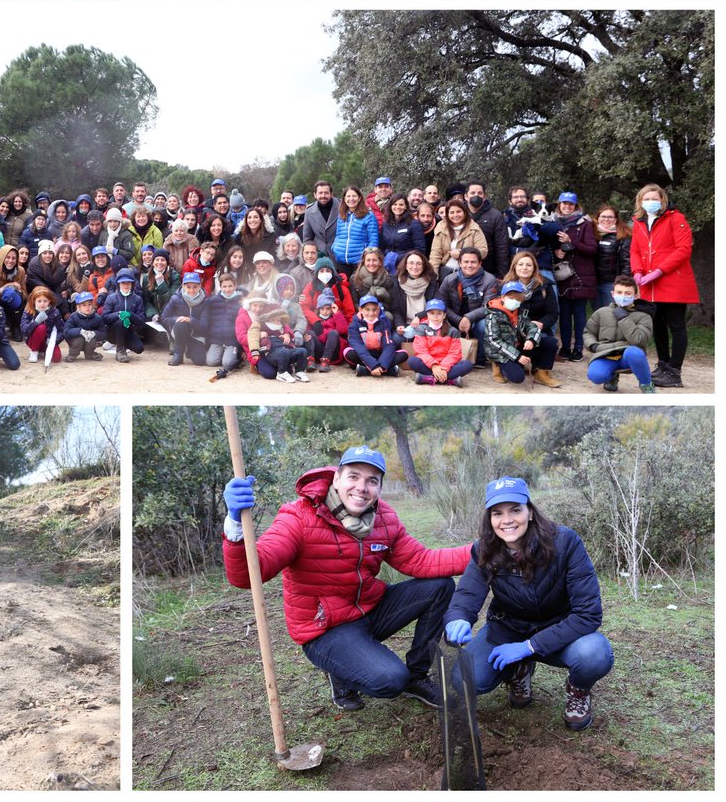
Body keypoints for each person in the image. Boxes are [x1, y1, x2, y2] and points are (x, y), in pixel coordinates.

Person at [222, 446, 469, 710]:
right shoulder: (299, 517)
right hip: (325, 629)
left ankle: (417, 677)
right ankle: (340, 674)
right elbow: (249, 575)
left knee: (440, 586)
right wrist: (235, 524)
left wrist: (484, 552)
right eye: (354, 476)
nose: (362, 487)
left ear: (379, 488)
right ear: (336, 479)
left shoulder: (383, 518)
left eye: (372, 481)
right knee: (390, 680)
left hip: (369, 610)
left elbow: (421, 561)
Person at [443, 476, 613, 732]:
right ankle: (518, 671)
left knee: (594, 654)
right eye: (497, 513)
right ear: (490, 519)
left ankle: (578, 690)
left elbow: (588, 614)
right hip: (508, 629)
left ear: (530, 512)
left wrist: (530, 646)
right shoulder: (484, 549)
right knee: (466, 680)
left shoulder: (566, 542)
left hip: (560, 631)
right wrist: (457, 617)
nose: (507, 520)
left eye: (515, 510)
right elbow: (468, 592)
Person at [630, 183, 699, 388]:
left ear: (662, 200)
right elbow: (634, 251)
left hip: (672, 281)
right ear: (641, 201)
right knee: (657, 326)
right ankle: (663, 364)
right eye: (647, 198)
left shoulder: (676, 218)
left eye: (654, 198)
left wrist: (659, 270)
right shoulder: (638, 222)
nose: (651, 202)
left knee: (676, 326)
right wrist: (638, 271)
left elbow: (683, 250)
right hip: (650, 285)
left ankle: (674, 371)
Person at [545, 191, 597, 362]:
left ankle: (579, 348)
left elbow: (591, 249)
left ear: (576, 206)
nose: (567, 207)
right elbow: (548, 246)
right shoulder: (552, 222)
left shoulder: (585, 224)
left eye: (571, 204)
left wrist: (570, 242)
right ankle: (565, 347)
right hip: (562, 275)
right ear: (559, 204)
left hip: (581, 275)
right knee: (564, 314)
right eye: (564, 203)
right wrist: (556, 252)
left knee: (580, 315)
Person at [584, 274, 656, 393]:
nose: (623, 296)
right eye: (619, 292)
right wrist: (593, 345)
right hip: (605, 354)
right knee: (595, 376)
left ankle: (646, 384)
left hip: (628, 356)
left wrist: (623, 317)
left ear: (636, 295)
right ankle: (611, 376)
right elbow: (588, 332)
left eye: (628, 293)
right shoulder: (601, 312)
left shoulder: (644, 316)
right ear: (613, 294)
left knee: (635, 353)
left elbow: (638, 340)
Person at [484, 281, 561, 387]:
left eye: (517, 299)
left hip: (518, 346)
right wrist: (517, 356)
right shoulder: (493, 315)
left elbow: (532, 327)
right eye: (510, 297)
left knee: (551, 342)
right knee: (518, 377)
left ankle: (541, 373)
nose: (514, 301)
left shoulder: (521, 311)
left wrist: (531, 339)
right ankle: (498, 366)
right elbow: (493, 341)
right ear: (503, 297)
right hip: (501, 352)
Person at [439, 247, 499, 368]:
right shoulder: (450, 279)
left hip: (476, 318)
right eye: (466, 262)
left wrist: (468, 318)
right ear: (460, 263)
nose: (469, 265)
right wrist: (458, 319)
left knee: (484, 325)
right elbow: (442, 305)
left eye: (473, 262)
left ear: (480, 263)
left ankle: (480, 358)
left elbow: (488, 306)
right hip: (453, 318)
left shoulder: (489, 280)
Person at [404, 297, 473, 387]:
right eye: (432, 313)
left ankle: (428, 378)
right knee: (412, 361)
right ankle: (450, 380)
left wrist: (443, 368)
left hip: (447, 365)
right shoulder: (421, 329)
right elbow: (421, 351)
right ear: (427, 315)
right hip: (429, 364)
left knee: (468, 364)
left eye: (439, 313)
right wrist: (434, 366)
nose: (435, 316)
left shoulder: (453, 331)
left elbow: (454, 353)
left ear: (444, 315)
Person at [342, 294, 410, 378]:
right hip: (364, 355)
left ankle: (366, 370)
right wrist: (373, 365)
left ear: (378, 310)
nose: (371, 313)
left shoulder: (383, 323)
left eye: (374, 310)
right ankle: (387, 370)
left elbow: (388, 344)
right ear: (360, 310)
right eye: (367, 310)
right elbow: (359, 347)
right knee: (348, 352)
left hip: (380, 354)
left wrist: (382, 364)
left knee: (404, 354)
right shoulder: (354, 325)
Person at [503, 250, 559, 337]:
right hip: (512, 328)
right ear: (514, 267)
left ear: (534, 268)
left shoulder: (545, 286)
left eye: (529, 265)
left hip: (538, 329)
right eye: (520, 264)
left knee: (549, 343)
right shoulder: (506, 286)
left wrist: (541, 324)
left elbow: (552, 313)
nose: (524, 268)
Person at [429, 197, 488, 278]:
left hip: (469, 273)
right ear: (447, 214)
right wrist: (434, 277)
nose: (455, 215)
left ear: (464, 212)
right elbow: (435, 255)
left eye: (458, 211)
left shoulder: (474, 228)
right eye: (452, 212)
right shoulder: (441, 228)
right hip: (446, 273)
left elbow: (483, 251)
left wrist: (462, 254)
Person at [161, 271, 211, 367]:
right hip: (179, 331)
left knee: (200, 361)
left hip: (196, 334)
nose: (191, 290)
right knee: (181, 323)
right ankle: (178, 355)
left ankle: (189, 349)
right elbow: (163, 318)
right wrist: (177, 318)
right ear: (183, 286)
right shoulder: (175, 298)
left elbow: (205, 325)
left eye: (195, 287)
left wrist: (190, 320)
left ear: (200, 286)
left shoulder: (205, 301)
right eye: (188, 287)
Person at [465, 180, 510, 278]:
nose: (476, 196)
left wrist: (502, 276)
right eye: (472, 193)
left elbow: (502, 247)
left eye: (479, 193)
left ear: (484, 196)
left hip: (489, 271)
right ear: (466, 196)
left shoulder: (496, 215)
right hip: (463, 270)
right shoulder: (458, 214)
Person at [388, 250, 439, 335]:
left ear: (424, 266)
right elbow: (396, 310)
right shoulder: (396, 282)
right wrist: (400, 325)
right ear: (406, 265)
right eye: (411, 263)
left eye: (418, 264)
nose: (415, 267)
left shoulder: (431, 282)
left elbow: (437, 305)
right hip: (406, 323)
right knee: (397, 339)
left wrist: (420, 316)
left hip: (427, 323)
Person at [332, 186, 380, 276]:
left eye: (354, 196)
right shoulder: (341, 215)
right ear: (344, 199)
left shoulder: (369, 215)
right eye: (348, 196)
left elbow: (373, 240)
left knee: (358, 288)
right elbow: (338, 235)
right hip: (341, 259)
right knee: (344, 287)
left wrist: (367, 257)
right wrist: (335, 247)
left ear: (359, 198)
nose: (351, 199)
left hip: (359, 261)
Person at [592, 203, 632, 310]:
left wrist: (622, 283)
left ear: (616, 219)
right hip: (594, 283)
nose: (606, 219)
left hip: (612, 283)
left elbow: (627, 261)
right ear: (597, 218)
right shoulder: (591, 233)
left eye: (610, 217)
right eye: (603, 216)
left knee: (613, 313)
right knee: (598, 314)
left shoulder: (623, 236)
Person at [103, 268, 146, 363]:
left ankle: (122, 343)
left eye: (128, 283)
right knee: (120, 321)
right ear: (118, 284)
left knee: (139, 348)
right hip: (112, 331)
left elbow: (141, 321)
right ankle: (120, 350)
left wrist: (130, 315)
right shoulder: (111, 298)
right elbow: (105, 317)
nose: (126, 285)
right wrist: (118, 314)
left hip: (129, 330)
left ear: (132, 284)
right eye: (123, 283)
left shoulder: (137, 299)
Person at [0, 243, 27, 340]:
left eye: (14, 258)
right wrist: (6, 286)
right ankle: (1, 327)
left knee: (11, 295)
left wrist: (18, 291)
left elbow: (25, 294)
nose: (10, 261)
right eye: (7, 257)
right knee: (7, 292)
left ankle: (15, 327)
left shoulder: (20, 271)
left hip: (12, 301)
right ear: (1, 258)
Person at [21, 286, 64, 365]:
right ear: (34, 301)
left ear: (49, 301)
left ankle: (43, 350)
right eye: (39, 301)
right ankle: (34, 351)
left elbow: (61, 330)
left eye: (45, 301)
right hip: (32, 340)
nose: (42, 304)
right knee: (41, 328)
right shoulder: (28, 311)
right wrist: (35, 322)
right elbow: (24, 331)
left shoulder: (55, 312)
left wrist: (55, 341)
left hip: (48, 341)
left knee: (56, 358)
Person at [63, 291, 107, 361]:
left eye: (89, 304)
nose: (87, 307)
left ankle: (90, 354)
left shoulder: (97, 318)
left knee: (91, 339)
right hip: (75, 342)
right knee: (79, 339)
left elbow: (103, 333)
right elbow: (66, 331)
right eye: (84, 305)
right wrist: (80, 331)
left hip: (90, 341)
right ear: (78, 307)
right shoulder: (73, 316)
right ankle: (72, 354)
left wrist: (94, 333)